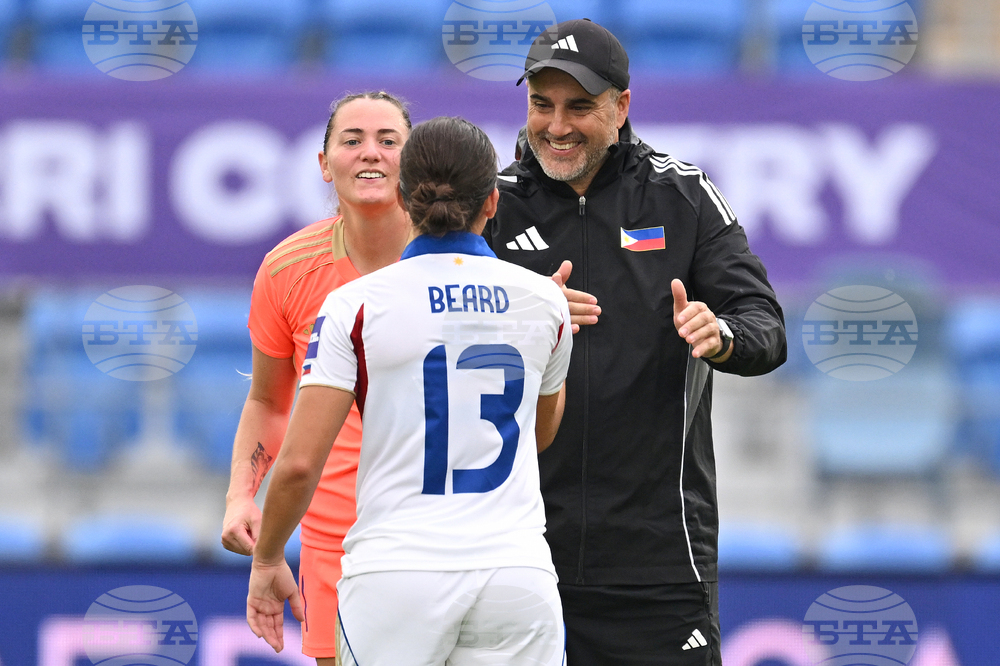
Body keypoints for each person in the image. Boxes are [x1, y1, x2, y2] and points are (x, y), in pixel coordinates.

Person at [482, 19, 788, 665]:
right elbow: (427, 334)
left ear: (622, 106)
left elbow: (766, 328)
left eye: (579, 107)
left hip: (659, 559)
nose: (556, 126)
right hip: (517, 548)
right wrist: (515, 314)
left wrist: (722, 333)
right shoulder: (492, 205)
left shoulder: (683, 195)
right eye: (543, 104)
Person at [245, 116, 573, 665]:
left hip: (397, 574)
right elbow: (537, 436)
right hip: (515, 571)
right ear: (492, 202)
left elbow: (300, 463)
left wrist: (267, 558)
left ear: (401, 197)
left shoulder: (356, 305)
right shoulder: (545, 300)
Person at [220, 91, 412, 663]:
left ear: (416, 158)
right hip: (336, 547)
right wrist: (240, 496)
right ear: (324, 163)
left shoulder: (458, 262)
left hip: (442, 533)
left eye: (388, 140)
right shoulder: (286, 269)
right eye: (351, 140)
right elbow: (269, 402)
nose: (369, 153)